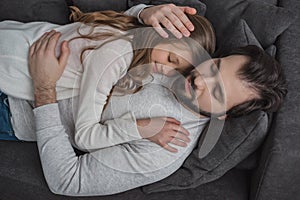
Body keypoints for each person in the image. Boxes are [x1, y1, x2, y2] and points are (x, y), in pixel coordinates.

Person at [24, 30, 287, 195]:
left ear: (223, 115)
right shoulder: (183, 58)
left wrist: (43, 88)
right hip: (31, 48)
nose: (199, 80)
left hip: (17, 106)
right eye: (214, 67)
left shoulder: (165, 148)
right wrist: (145, 13)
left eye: (217, 93)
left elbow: (67, 181)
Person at [0, 4, 215, 153]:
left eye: (177, 71)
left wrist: (143, 12)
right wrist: (141, 128)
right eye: (170, 59)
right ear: (159, 32)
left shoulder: (127, 28)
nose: (165, 72)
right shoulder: (114, 56)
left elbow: (133, 16)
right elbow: (84, 137)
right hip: (6, 84)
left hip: (12, 36)